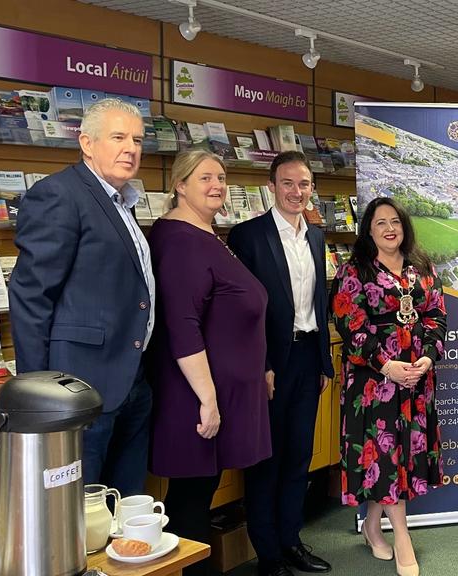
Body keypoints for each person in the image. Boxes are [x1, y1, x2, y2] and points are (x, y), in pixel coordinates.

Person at [9, 98, 155, 496]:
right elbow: (31, 296)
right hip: (78, 388)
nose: (131, 148)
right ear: (86, 143)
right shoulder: (60, 194)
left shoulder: (122, 202)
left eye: (137, 140)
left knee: (123, 506)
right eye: (118, 137)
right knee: (74, 507)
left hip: (132, 380)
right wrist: (38, 393)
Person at [147, 150, 271, 576]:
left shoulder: (205, 233)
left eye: (221, 177)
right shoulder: (180, 240)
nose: (217, 185)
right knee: (190, 502)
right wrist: (208, 399)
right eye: (205, 178)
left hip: (216, 391)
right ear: (180, 185)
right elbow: (182, 325)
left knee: (199, 494)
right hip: (195, 396)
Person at [228, 151, 335, 576]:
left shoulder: (316, 237)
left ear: (312, 189)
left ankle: (291, 541)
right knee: (266, 460)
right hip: (271, 363)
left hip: (308, 358)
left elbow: (319, 302)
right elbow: (242, 311)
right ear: (271, 186)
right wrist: (263, 364)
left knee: (298, 456)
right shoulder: (248, 236)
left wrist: (324, 361)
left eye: (304, 184)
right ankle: (268, 555)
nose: (296, 191)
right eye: (287, 183)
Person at [331, 196, 447, 576]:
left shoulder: (422, 266)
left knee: (401, 457)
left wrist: (427, 358)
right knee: (385, 457)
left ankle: (371, 526)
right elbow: (351, 326)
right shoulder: (354, 271)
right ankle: (402, 536)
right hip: (374, 382)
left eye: (395, 221)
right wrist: (386, 365)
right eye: (380, 222)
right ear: (368, 230)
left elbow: (436, 316)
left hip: (416, 379)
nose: (389, 228)